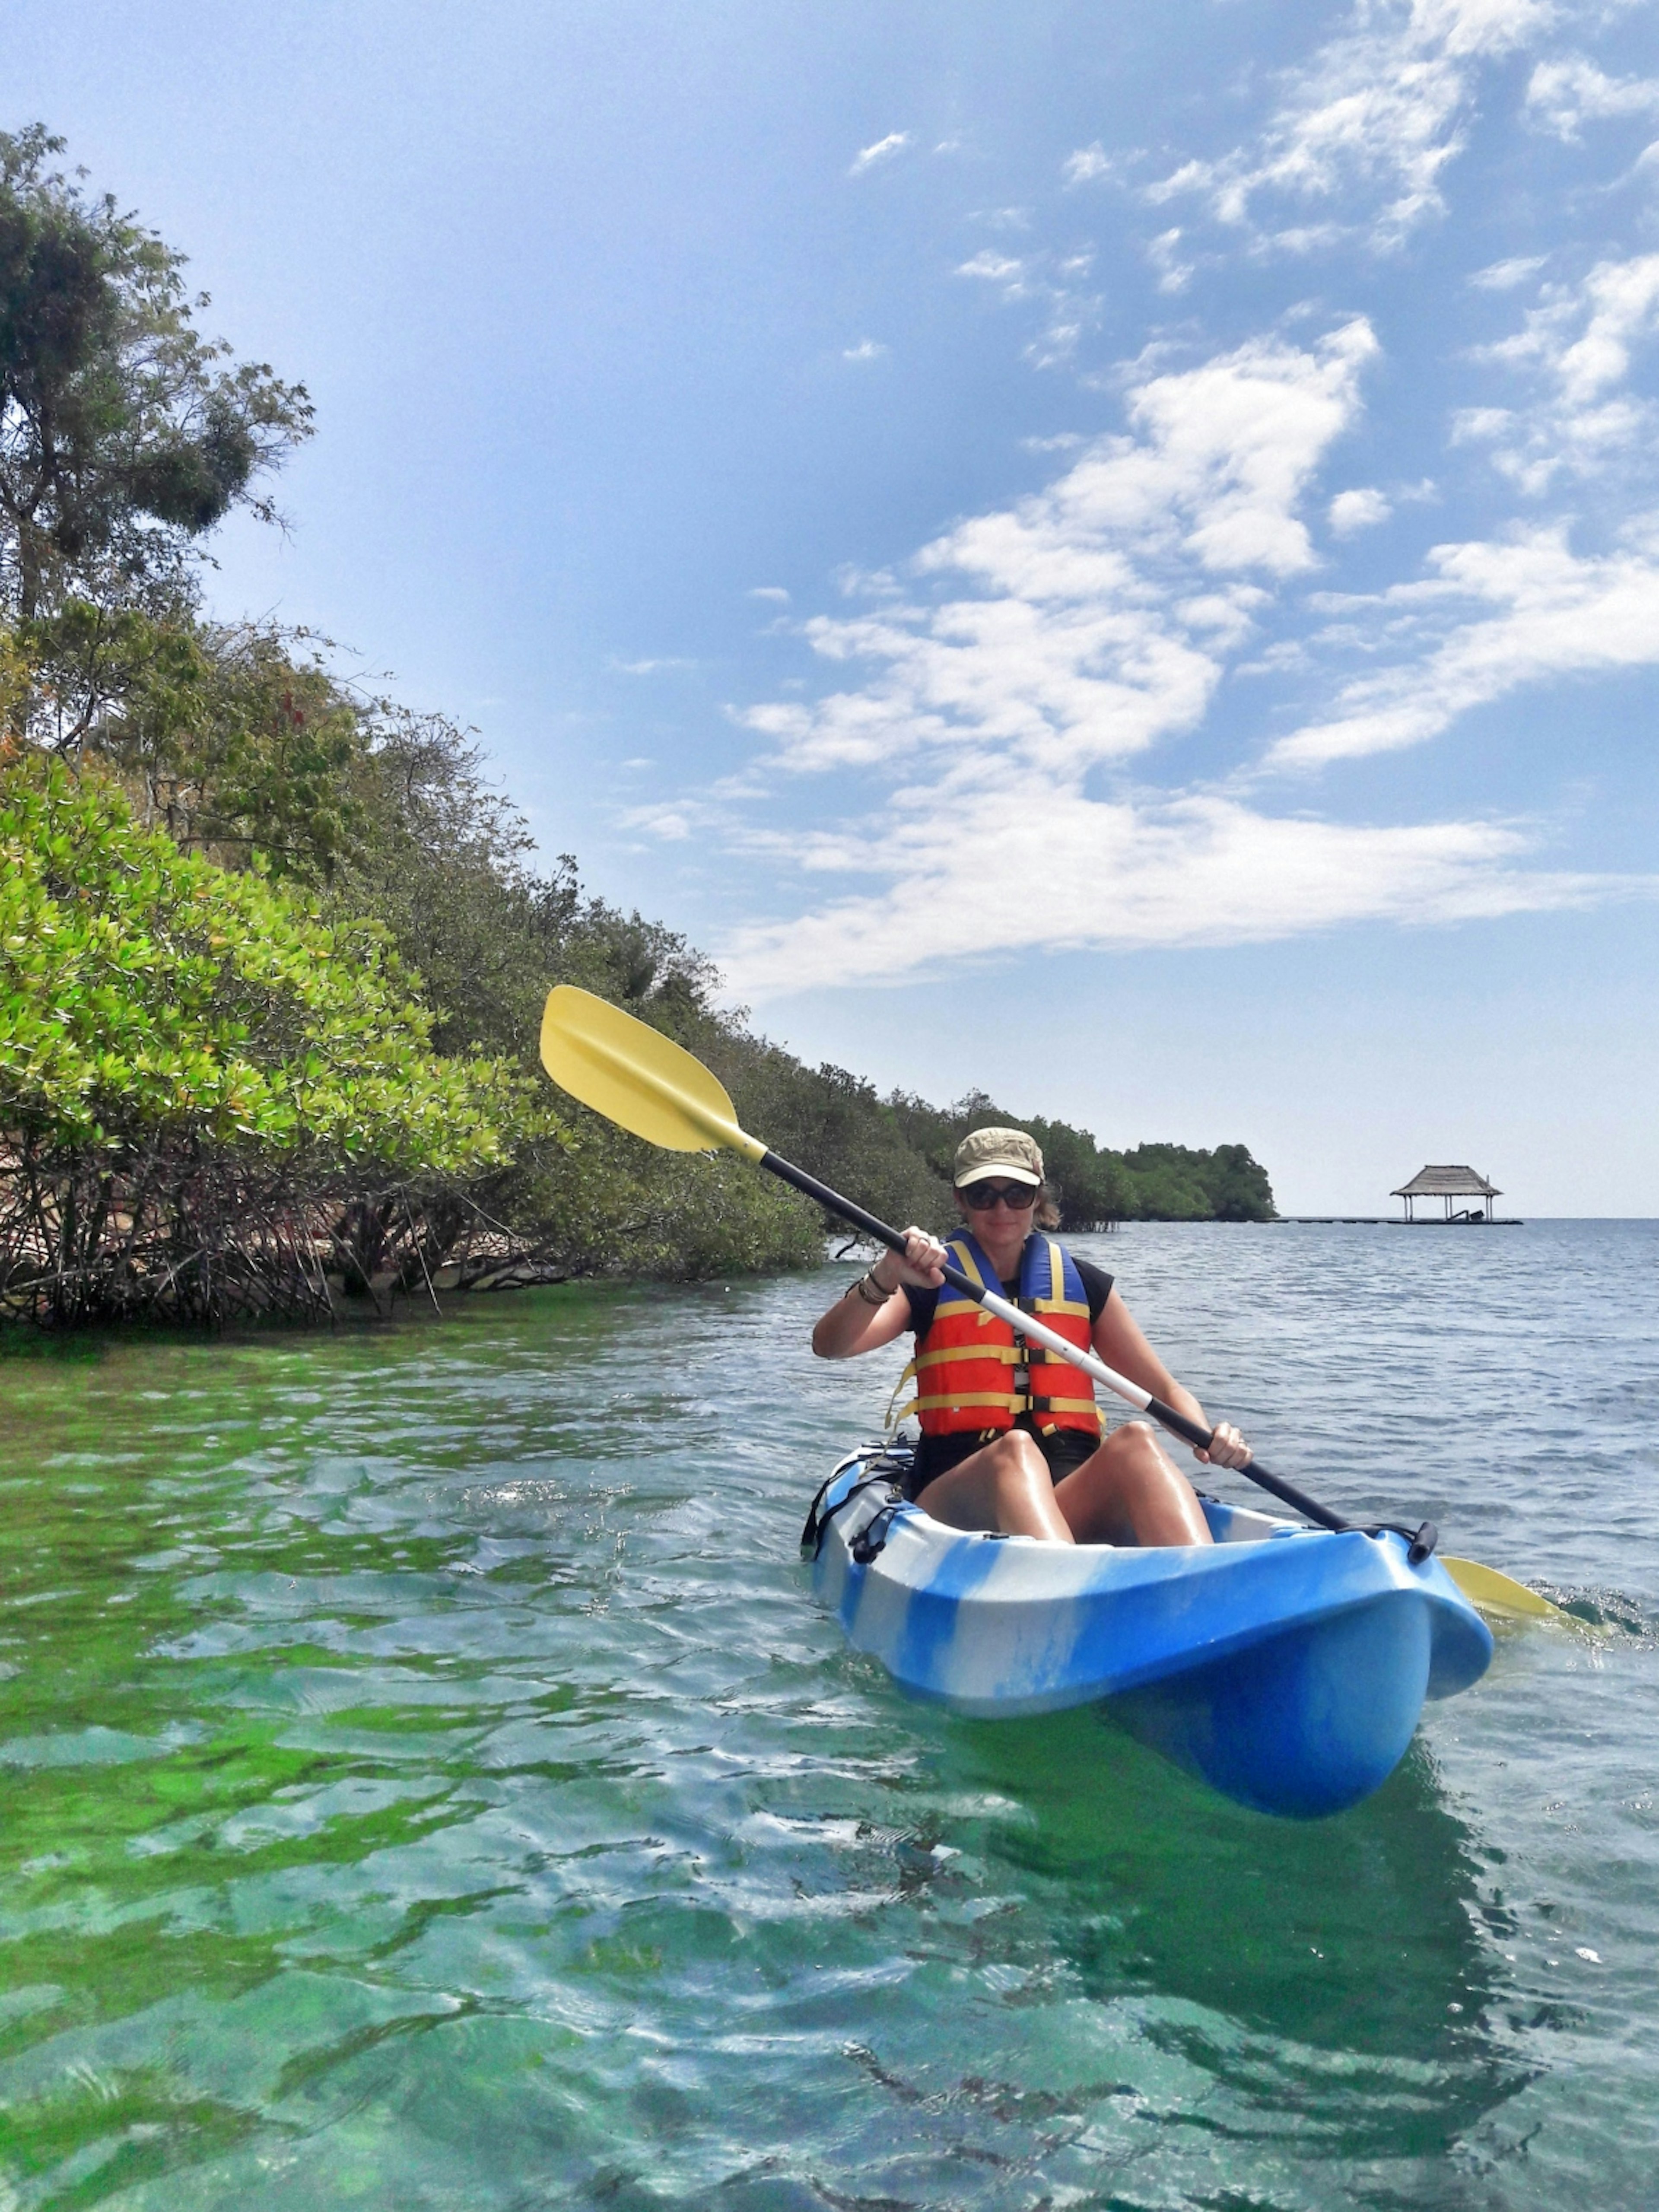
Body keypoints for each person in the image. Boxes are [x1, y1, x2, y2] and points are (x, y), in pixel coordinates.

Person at [811, 1126, 1251, 1545]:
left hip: (1064, 1499)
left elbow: (1164, 1389)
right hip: (956, 1501)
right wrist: (887, 1273)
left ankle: (1203, 1590)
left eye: (1017, 1194)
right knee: (1016, 1452)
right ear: (960, 1200)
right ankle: (1071, 1592)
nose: (1001, 1209)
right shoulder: (928, 1280)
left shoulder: (1084, 1283)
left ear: (1037, 1196)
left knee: (1136, 1440)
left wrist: (1208, 1436)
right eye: (983, 1194)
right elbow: (831, 1345)